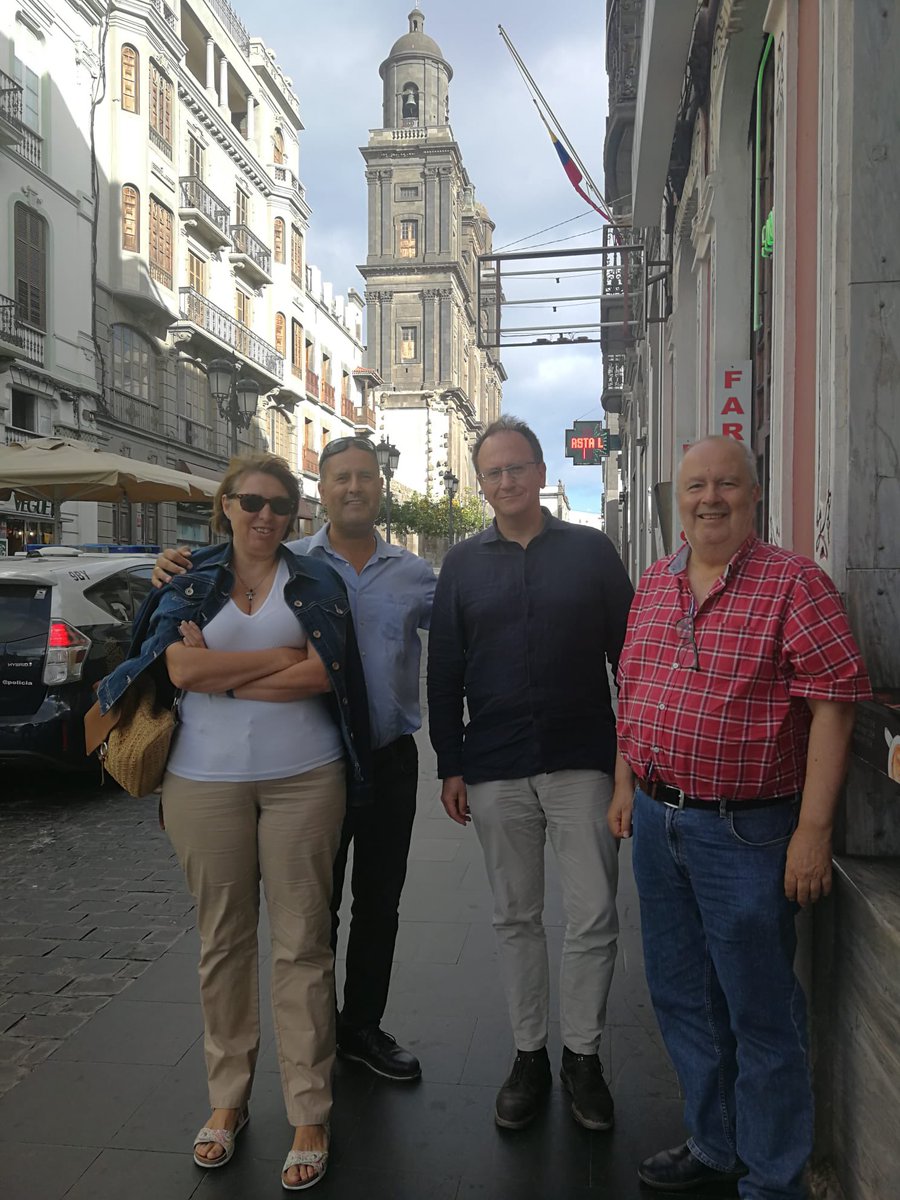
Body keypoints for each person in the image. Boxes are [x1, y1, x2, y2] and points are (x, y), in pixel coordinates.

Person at [98, 453, 372, 1191]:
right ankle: (228, 1102)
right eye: (251, 500)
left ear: (294, 515)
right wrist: (276, 659)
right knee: (222, 942)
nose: (264, 515)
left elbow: (324, 674)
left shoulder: (315, 578)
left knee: (303, 945)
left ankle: (309, 1109)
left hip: (306, 779)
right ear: (225, 504)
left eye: (280, 504)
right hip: (202, 781)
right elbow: (178, 675)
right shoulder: (185, 576)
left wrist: (224, 670)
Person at [608, 435, 871, 1199]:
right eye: (696, 486)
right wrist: (626, 784)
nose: (710, 498)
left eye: (727, 484)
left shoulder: (795, 584)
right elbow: (635, 691)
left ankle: (772, 1178)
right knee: (682, 995)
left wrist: (813, 833)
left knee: (760, 1011)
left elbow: (833, 708)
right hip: (659, 826)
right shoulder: (654, 583)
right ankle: (717, 1141)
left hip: (747, 833)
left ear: (754, 496)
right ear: (678, 500)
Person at [152, 436, 436, 1082]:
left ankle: (361, 1026)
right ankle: (316, 1036)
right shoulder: (287, 561)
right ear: (324, 490)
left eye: (366, 477)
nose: (355, 487)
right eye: (342, 478)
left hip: (388, 760)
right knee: (314, 908)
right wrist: (168, 565)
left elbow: (468, 634)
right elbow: (180, 655)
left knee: (380, 903)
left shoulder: (418, 574)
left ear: (381, 487)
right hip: (322, 760)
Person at [426, 415, 634, 1131]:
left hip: (584, 760)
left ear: (542, 473)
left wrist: (630, 763)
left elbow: (631, 664)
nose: (507, 481)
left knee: (596, 914)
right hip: (494, 767)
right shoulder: (461, 564)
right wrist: (449, 763)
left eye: (518, 468)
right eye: (494, 472)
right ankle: (529, 1055)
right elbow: (444, 668)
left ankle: (583, 1055)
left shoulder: (591, 552)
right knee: (515, 916)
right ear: (481, 484)